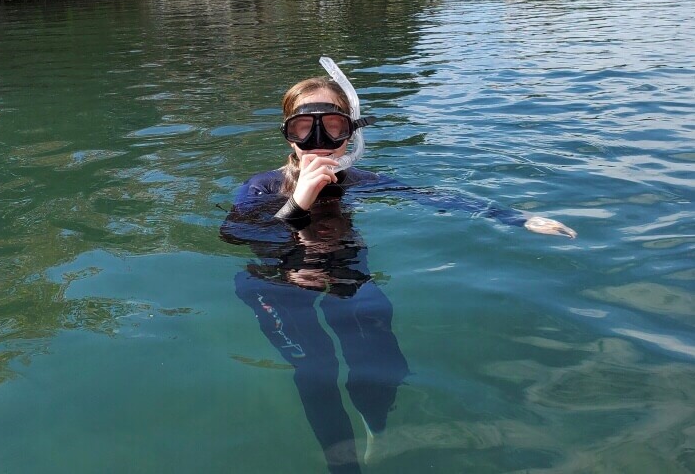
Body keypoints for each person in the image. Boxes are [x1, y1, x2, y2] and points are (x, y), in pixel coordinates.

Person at [220, 61, 576, 472]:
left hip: (345, 269)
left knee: (383, 356)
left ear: (350, 133)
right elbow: (236, 235)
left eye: (333, 127)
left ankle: (377, 427)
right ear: (289, 133)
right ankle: (343, 465)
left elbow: (434, 196)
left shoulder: (359, 180)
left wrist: (517, 218)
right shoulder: (263, 185)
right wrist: (298, 201)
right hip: (276, 282)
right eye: (304, 129)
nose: (318, 140)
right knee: (316, 367)